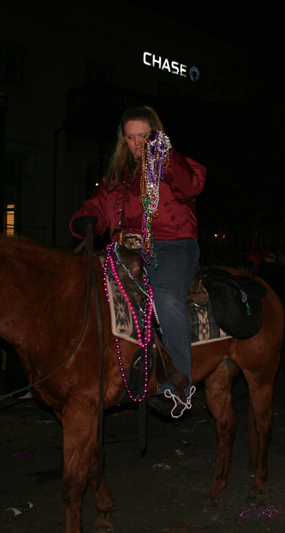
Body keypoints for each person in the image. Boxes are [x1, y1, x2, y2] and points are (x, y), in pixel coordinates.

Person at [70, 106, 206, 418]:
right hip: (125, 246)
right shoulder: (117, 175)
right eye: (130, 137)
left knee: (167, 300)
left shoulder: (177, 163)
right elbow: (100, 204)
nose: (136, 143)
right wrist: (85, 218)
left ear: (155, 134)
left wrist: (164, 157)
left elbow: (191, 187)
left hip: (172, 243)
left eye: (143, 136)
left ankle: (179, 387)